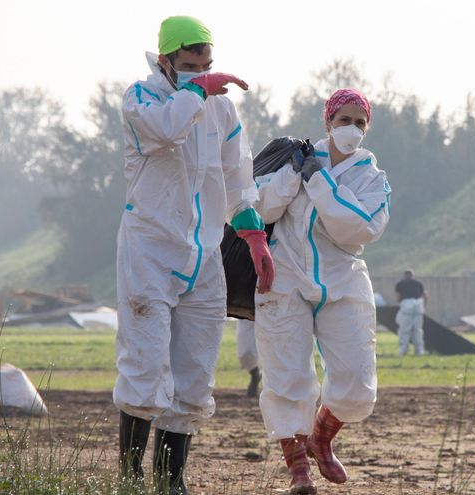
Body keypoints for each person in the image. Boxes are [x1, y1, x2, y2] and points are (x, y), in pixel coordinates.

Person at [113, 16, 274, 495]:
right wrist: (198, 91)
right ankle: (129, 481)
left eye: (206, 65)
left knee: (195, 372)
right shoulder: (141, 99)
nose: (201, 74)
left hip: (204, 253)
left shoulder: (221, 109)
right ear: (165, 60)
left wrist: (253, 234)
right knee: (145, 368)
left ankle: (171, 482)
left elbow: (236, 175)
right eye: (190, 65)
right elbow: (166, 131)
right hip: (149, 250)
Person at [252, 88, 390, 494]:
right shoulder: (295, 159)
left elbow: (357, 228)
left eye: (360, 122)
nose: (352, 128)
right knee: (286, 375)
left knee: (357, 379)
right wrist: (292, 174)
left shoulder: (372, 178)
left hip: (342, 279)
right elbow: (260, 208)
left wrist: (319, 182)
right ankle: (299, 472)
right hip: (284, 277)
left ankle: (321, 438)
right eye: (344, 120)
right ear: (328, 121)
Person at [395, 269, 427, 356]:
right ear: (413, 275)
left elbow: (398, 297)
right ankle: (419, 352)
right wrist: (424, 307)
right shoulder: (418, 283)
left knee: (404, 331)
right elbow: (425, 295)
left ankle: (403, 351)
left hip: (406, 309)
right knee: (418, 332)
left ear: (404, 275)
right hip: (418, 309)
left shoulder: (400, 284)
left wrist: (400, 305)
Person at [236, 320, 262, 397]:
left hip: (260, 318)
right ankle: (255, 375)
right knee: (243, 353)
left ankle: (256, 375)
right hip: (244, 319)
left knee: (250, 352)